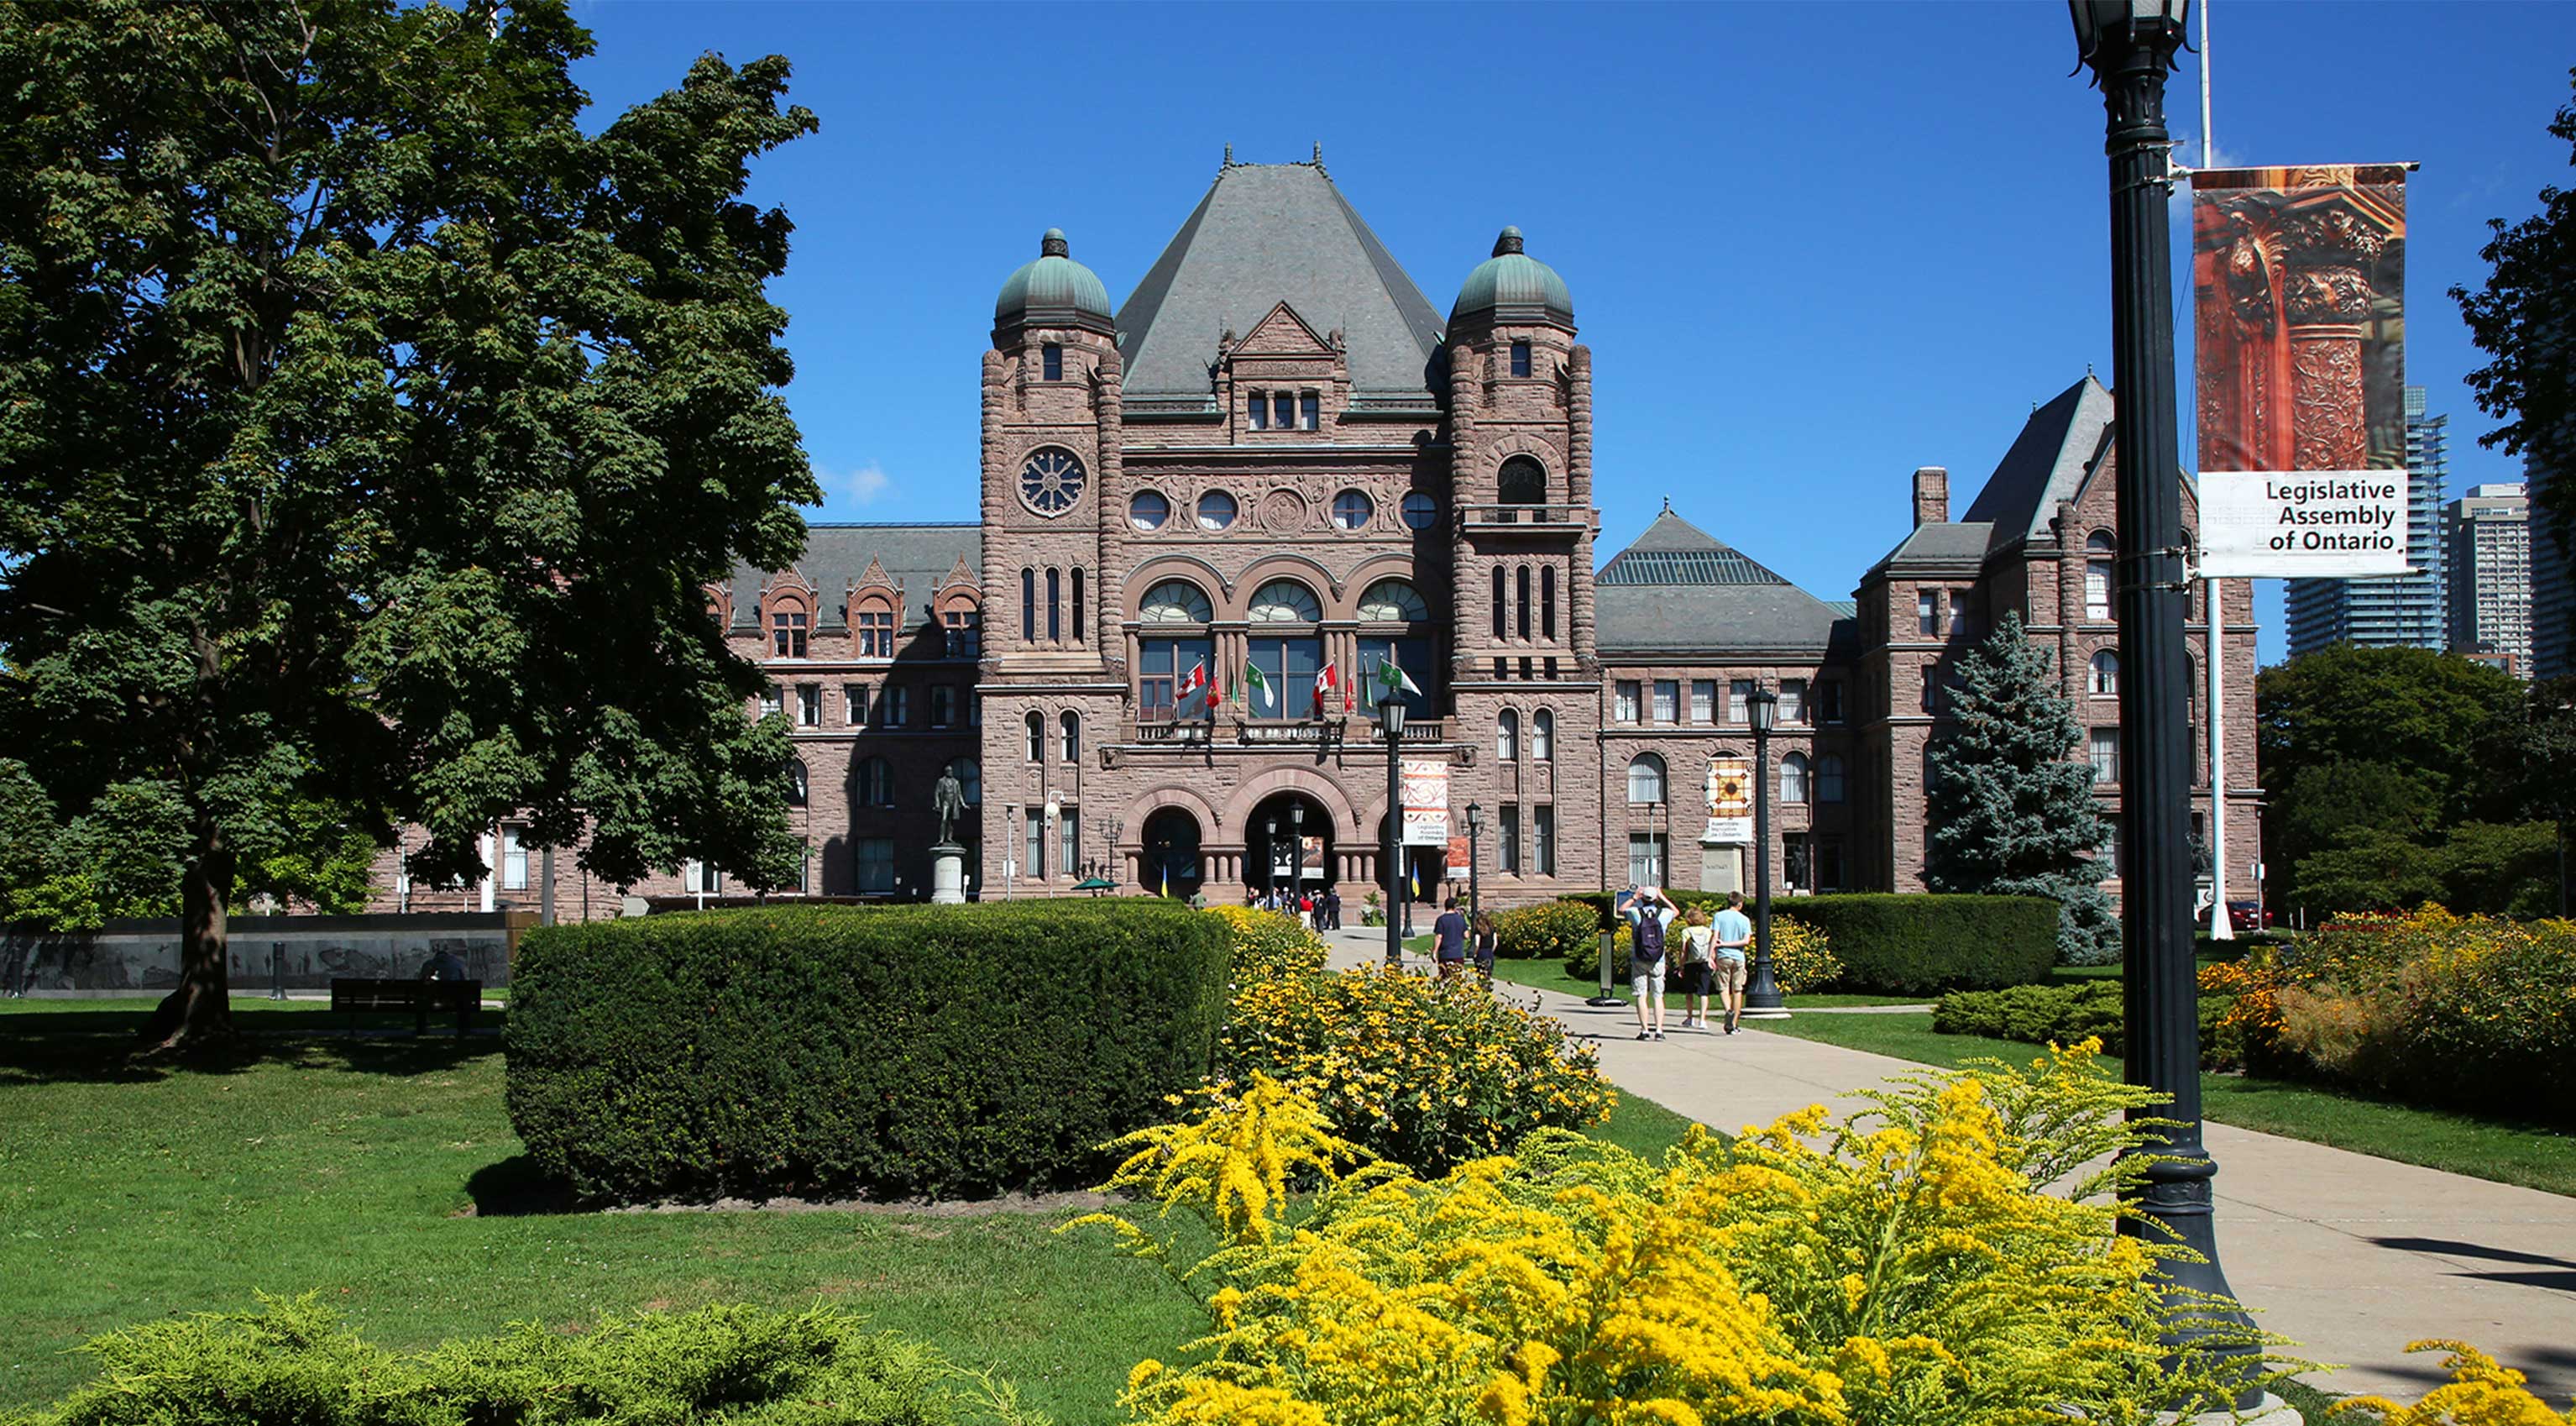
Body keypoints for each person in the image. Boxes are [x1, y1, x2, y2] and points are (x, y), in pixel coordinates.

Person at [1626, 883, 1676, 1040]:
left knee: (1641, 995)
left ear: (1643, 898)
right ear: (1655, 899)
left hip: (1639, 958)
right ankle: (1659, 1030)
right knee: (1658, 995)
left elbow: (1621, 909)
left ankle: (1644, 1030)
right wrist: (1662, 897)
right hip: (1658, 959)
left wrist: (1634, 897)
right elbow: (1677, 911)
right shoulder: (1664, 914)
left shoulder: (1636, 913)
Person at [1711, 890, 1754, 1035]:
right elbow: (1746, 941)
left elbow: (1714, 937)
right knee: (1737, 989)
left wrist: (1711, 953)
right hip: (1738, 957)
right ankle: (1734, 1022)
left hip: (1723, 956)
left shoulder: (1719, 916)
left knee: (1723, 987)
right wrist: (1730, 944)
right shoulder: (1744, 920)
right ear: (1740, 904)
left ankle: (1728, 1010)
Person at [1675, 904, 1716, 1030]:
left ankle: (1690, 1017)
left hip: (1690, 963)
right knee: (1704, 992)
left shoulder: (1686, 932)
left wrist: (1681, 965)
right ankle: (1703, 1020)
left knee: (1689, 992)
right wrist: (1712, 960)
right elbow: (1712, 947)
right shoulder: (1708, 931)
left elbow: (1684, 951)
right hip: (1705, 962)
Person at [1432, 896, 1469, 982]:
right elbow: (1466, 935)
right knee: (1456, 979)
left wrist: (1434, 952)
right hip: (1458, 954)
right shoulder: (1461, 919)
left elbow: (1439, 936)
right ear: (1454, 907)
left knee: (1444, 978)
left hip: (1445, 954)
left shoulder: (1441, 919)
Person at [1470, 910, 1500, 988]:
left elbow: (1477, 944)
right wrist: (1491, 951)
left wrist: (1475, 953)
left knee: (1480, 974)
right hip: (1489, 952)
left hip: (1481, 952)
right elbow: (1495, 943)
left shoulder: (1478, 929)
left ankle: (1481, 989)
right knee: (1488, 973)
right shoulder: (1492, 928)